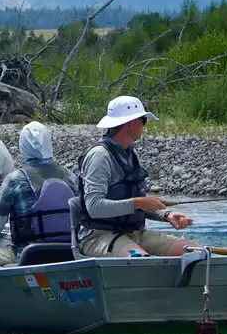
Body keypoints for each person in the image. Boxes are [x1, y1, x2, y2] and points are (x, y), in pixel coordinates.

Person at [74, 95, 197, 257]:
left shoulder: (131, 154)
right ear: (130, 123)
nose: (144, 126)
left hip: (136, 234)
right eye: (143, 120)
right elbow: (95, 207)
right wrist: (139, 202)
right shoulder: (99, 157)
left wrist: (166, 215)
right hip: (99, 237)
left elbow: (138, 203)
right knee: (140, 260)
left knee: (195, 252)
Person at [0, 121, 76, 267]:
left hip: (29, 253)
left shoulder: (15, 180)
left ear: (23, 147)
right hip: (70, 250)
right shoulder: (70, 177)